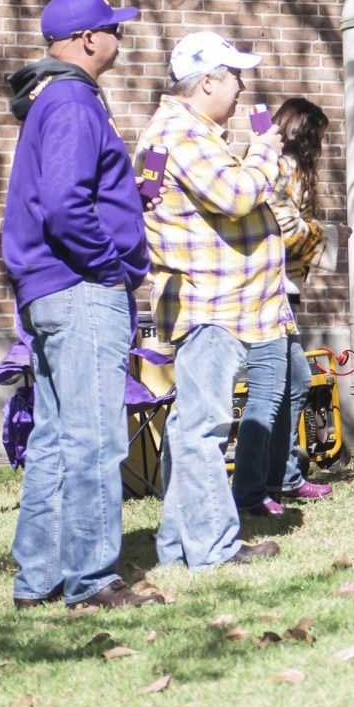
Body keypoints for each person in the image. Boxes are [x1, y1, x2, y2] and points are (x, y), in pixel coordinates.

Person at [0, 0, 160, 611]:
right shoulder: (70, 100)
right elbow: (66, 206)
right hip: (80, 288)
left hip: (49, 289)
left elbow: (69, 197)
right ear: (89, 40)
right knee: (95, 438)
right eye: (113, 29)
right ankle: (92, 580)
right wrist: (112, 266)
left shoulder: (52, 99)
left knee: (55, 436)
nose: (120, 38)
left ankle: (37, 579)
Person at [135, 30, 291, 571]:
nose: (243, 86)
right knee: (204, 429)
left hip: (214, 300)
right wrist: (266, 153)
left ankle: (180, 547)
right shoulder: (183, 134)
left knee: (189, 427)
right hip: (212, 303)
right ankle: (214, 547)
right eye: (235, 75)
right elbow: (236, 195)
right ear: (207, 82)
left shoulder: (188, 131)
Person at [263, 97, 335, 510]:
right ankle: (277, 477)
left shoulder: (282, 166)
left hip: (282, 288)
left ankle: (283, 474)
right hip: (272, 289)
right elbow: (287, 228)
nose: (321, 149)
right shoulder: (282, 169)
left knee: (293, 381)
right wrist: (327, 237)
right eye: (319, 139)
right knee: (287, 382)